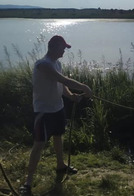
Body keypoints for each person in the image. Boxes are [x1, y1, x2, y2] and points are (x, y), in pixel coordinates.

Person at [19, 35, 93, 195]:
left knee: (58, 137)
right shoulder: (42, 65)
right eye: (62, 48)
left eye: (65, 48)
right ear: (52, 47)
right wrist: (84, 87)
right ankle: (28, 183)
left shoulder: (57, 64)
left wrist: (72, 96)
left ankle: (60, 165)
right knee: (39, 145)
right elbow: (63, 79)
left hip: (57, 109)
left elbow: (61, 85)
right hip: (43, 112)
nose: (64, 51)